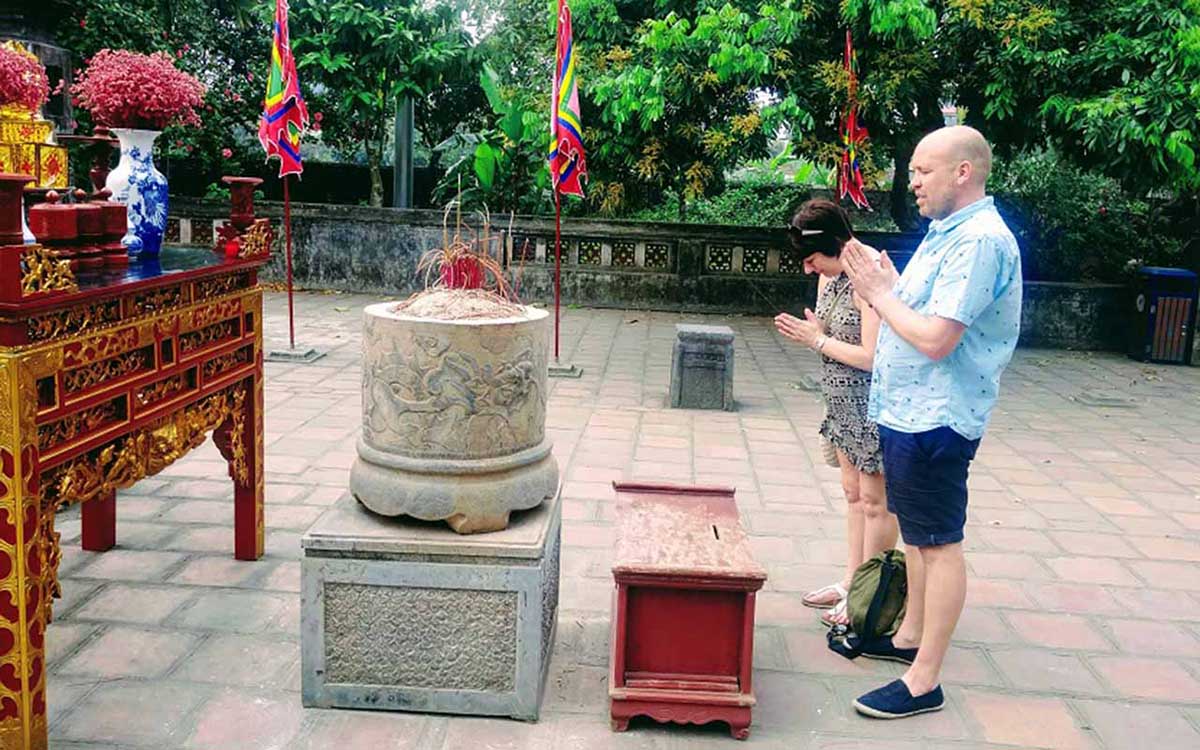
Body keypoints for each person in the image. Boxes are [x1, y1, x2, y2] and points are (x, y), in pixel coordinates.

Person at [841, 125, 1022, 719]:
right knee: (918, 538)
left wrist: (879, 295)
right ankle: (908, 636)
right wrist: (887, 284)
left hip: (936, 418)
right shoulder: (947, 235)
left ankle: (925, 680)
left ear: (963, 172)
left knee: (939, 543)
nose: (912, 182)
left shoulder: (979, 242)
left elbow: (937, 338)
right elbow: (912, 308)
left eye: (923, 171)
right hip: (907, 411)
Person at [774, 199, 899, 628]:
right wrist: (817, 332)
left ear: (834, 245)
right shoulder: (830, 277)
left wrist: (817, 341)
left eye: (811, 260)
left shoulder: (869, 277)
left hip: (871, 404)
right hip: (840, 401)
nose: (809, 270)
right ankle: (851, 581)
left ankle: (872, 597)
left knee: (875, 501)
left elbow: (872, 356)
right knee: (851, 494)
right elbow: (827, 331)